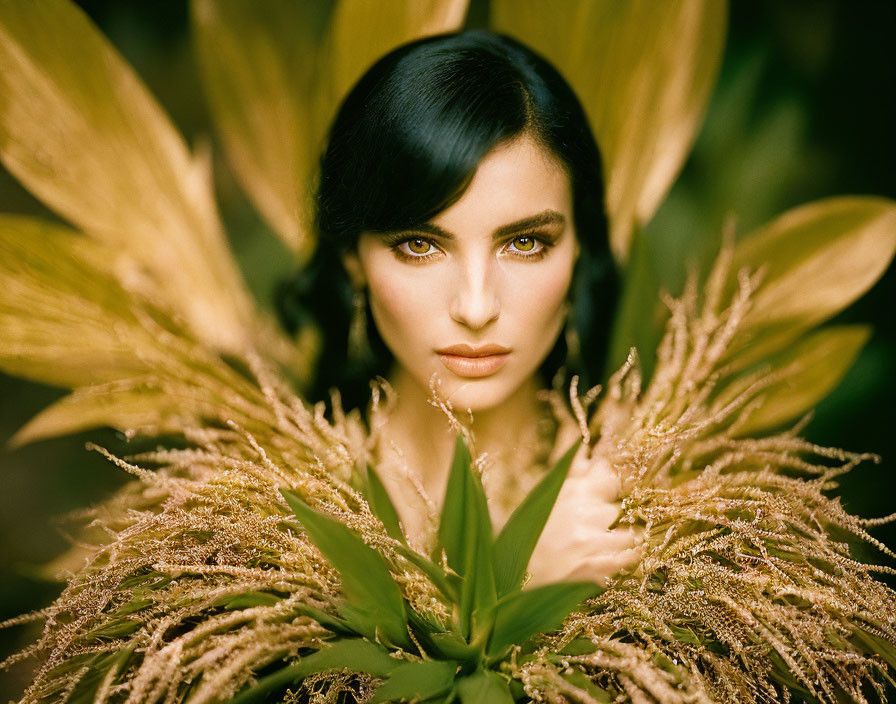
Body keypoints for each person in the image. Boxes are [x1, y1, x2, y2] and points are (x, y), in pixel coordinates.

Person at [279, 29, 642, 585]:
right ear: (353, 257)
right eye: (420, 245)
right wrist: (521, 575)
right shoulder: (276, 508)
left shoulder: (645, 498)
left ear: (578, 252)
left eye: (525, 243)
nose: (475, 307)